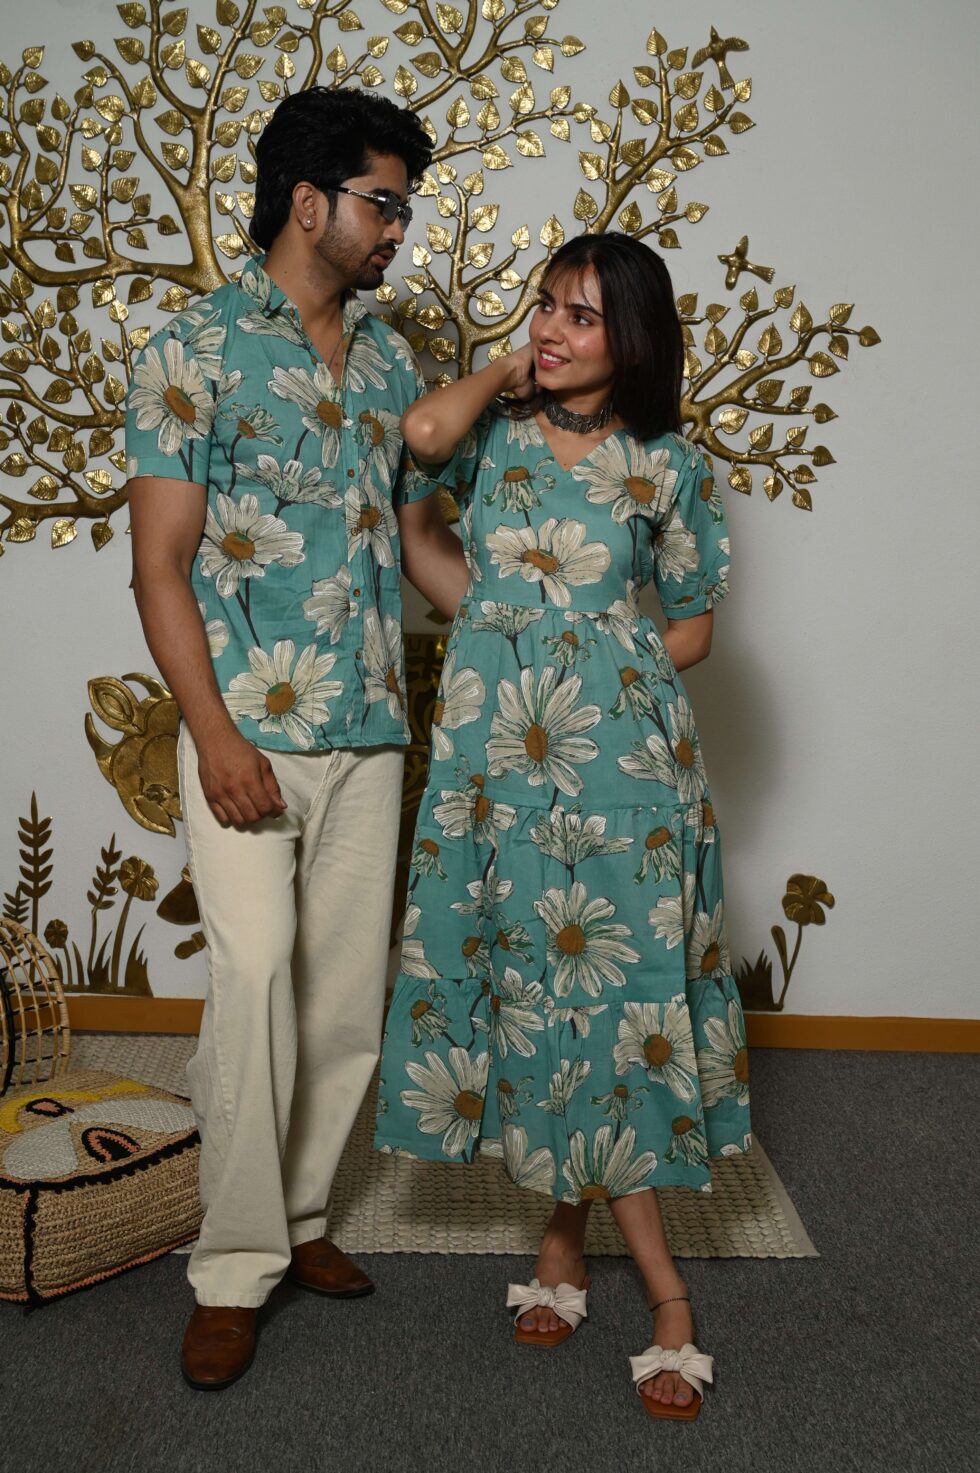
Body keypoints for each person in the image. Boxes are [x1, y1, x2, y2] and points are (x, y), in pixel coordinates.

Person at [374, 232, 751, 1421]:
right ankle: (560, 1239)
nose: (551, 328)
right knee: (533, 982)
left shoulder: (666, 464)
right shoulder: (488, 437)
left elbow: (689, 625)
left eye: (581, 316)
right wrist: (506, 369)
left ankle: (650, 1286)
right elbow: (418, 461)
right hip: (493, 759)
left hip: (622, 765)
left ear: (630, 337)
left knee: (616, 994)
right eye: (545, 305)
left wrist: (597, 660)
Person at [125, 86, 466, 1390]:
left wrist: (534, 631)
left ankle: (303, 1213)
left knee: (339, 1006)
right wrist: (212, 734)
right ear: (309, 202)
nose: (399, 229)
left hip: (371, 726)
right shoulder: (193, 347)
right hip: (245, 732)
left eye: (405, 207)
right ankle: (230, 1267)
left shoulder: (389, 363)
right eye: (384, 203)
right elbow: (160, 565)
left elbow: (420, 541)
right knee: (256, 979)